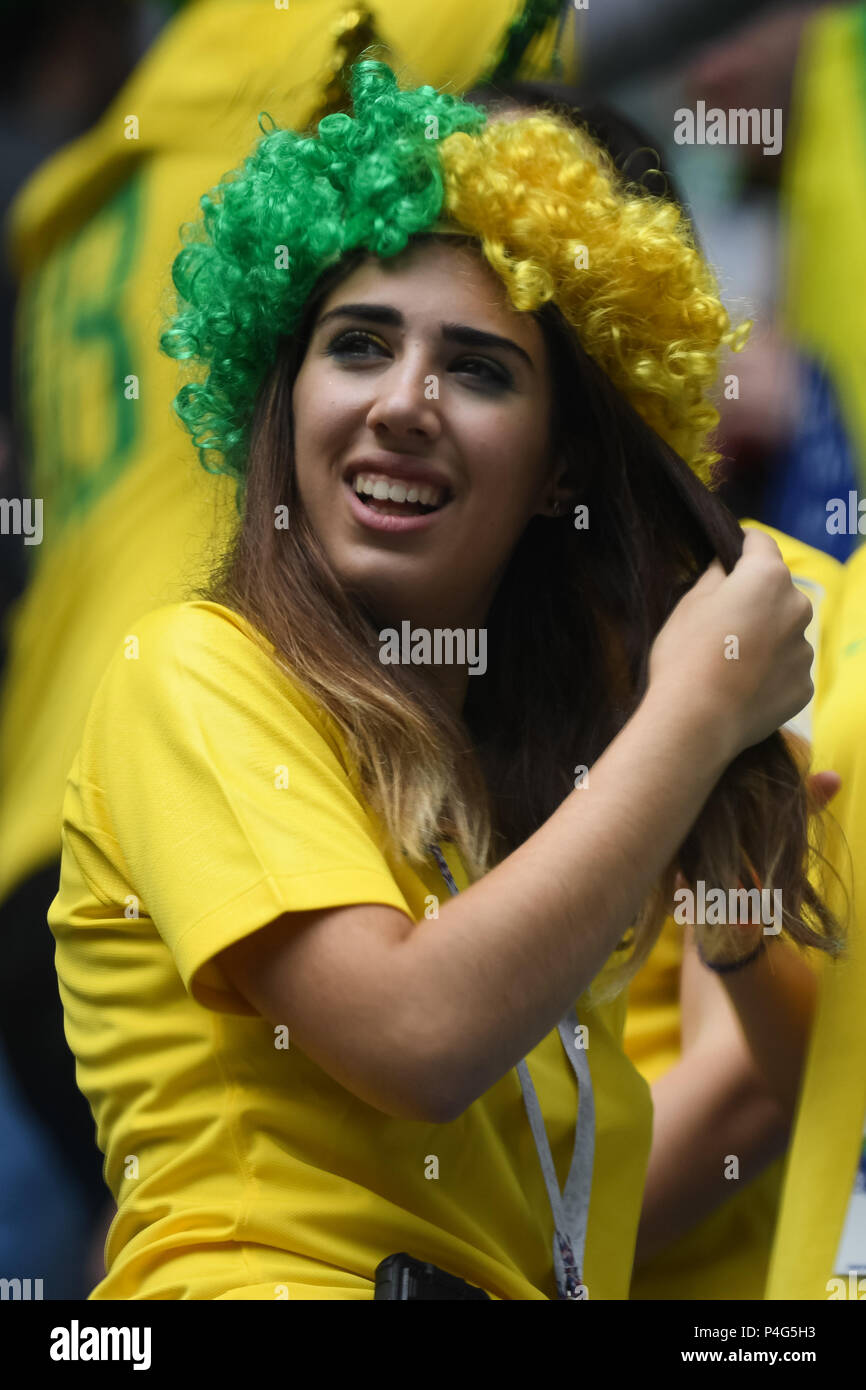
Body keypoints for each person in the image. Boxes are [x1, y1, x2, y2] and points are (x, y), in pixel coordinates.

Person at [47, 59, 843, 1300]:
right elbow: (416, 1035)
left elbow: (786, 1096)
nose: (404, 402)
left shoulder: (510, 804)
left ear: (561, 468)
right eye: (357, 345)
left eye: (476, 368)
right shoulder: (190, 671)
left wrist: (733, 896)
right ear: (284, 396)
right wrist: (690, 714)